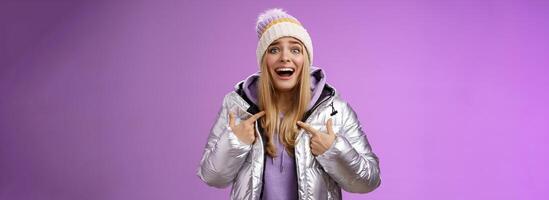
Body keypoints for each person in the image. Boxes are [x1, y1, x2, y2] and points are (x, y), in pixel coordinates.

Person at [197, 8, 381, 200]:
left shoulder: (334, 110)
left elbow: (369, 182)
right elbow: (212, 177)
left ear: (306, 60)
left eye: (295, 49)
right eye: (274, 49)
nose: (285, 57)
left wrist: (333, 150)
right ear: (263, 60)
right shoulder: (237, 106)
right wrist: (235, 142)